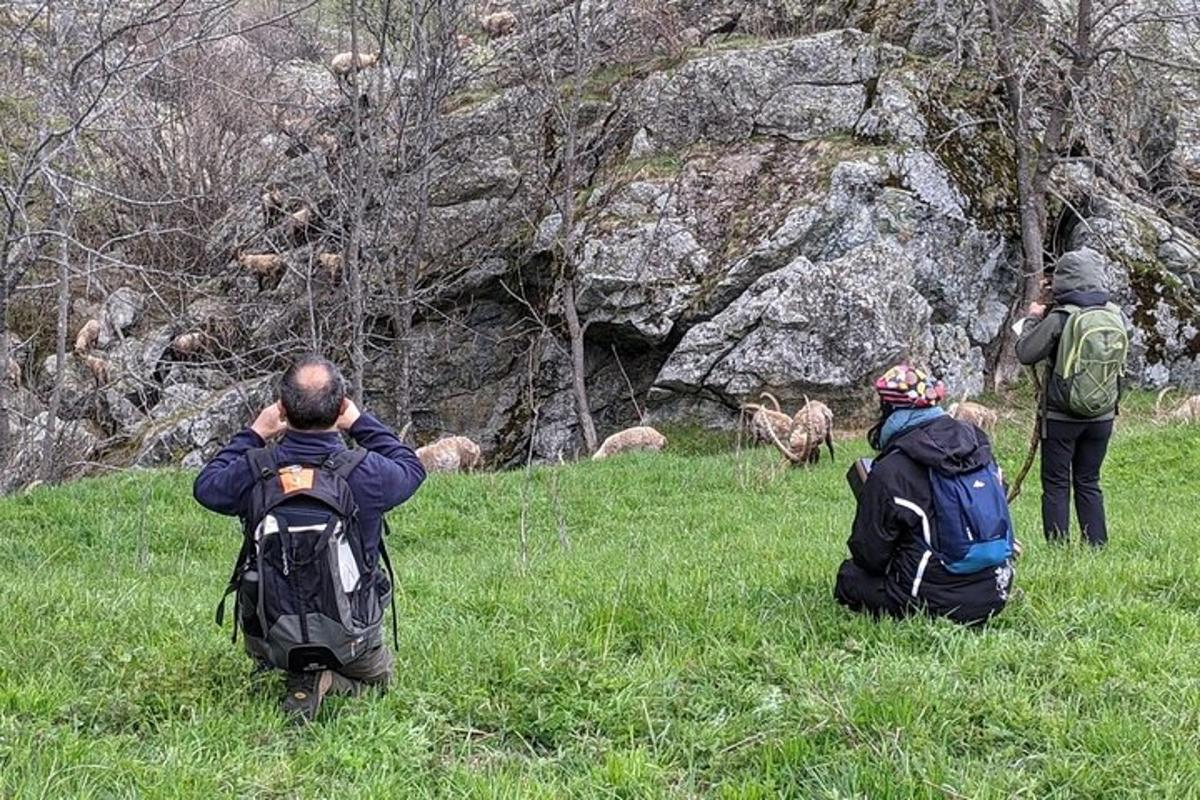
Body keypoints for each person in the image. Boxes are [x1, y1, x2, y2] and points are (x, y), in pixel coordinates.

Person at [194, 355, 425, 722]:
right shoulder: (366, 472)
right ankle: (331, 679)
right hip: (352, 640)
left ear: (281, 410)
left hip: (271, 641)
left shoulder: (256, 469)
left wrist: (254, 432)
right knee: (379, 683)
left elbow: (205, 487)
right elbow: (412, 468)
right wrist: (361, 423)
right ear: (341, 408)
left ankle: (298, 669)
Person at [834, 364, 1016, 625]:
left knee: (849, 578)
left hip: (932, 601)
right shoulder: (979, 447)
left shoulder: (891, 470)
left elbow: (869, 555)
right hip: (996, 592)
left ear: (889, 410)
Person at [1015, 248, 1129, 547]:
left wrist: (1032, 318)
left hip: (1061, 416)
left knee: (1055, 484)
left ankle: (1058, 548)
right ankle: (1096, 546)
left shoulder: (1061, 317)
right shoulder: (1116, 315)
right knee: (1089, 481)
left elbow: (1026, 353)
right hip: (1102, 416)